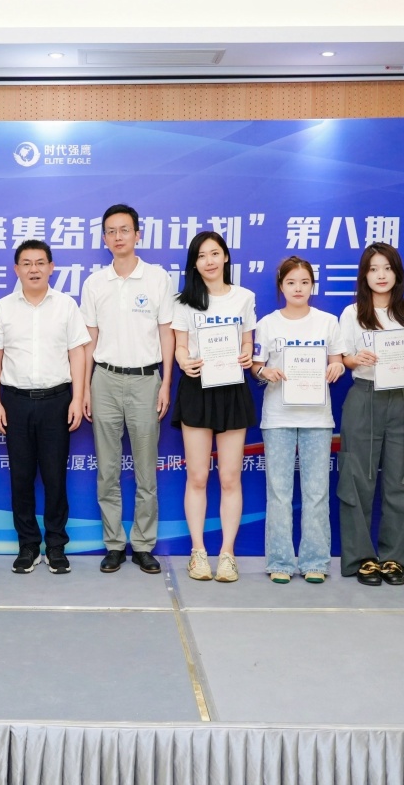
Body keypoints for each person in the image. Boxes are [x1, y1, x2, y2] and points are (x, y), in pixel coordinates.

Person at [80, 203, 174, 574]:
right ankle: (114, 544)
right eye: (111, 231)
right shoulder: (95, 283)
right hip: (104, 379)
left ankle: (144, 545)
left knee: (145, 471)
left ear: (137, 234)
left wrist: (166, 383)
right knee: (107, 470)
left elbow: (167, 333)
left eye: (124, 230)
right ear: (104, 238)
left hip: (146, 380)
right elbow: (89, 339)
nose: (118, 237)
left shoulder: (157, 278)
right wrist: (85, 388)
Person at [0, 239, 90, 574]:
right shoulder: (3, 308)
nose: (34, 269)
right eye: (27, 263)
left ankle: (56, 546)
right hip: (15, 401)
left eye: (40, 262)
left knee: (55, 477)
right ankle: (28, 546)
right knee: (21, 477)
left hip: (56, 401)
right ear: (16, 269)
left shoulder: (66, 306)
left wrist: (77, 398)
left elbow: (78, 353)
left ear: (51, 267)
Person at [336, 244, 404, 586]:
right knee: (357, 479)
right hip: (364, 396)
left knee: (403, 480)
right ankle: (361, 558)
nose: (381, 275)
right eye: (373, 269)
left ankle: (394, 558)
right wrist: (355, 360)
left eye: (387, 268)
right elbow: (343, 358)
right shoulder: (352, 313)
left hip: (402, 400)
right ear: (364, 275)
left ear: (397, 273)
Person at [253, 256, 345, 584]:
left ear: (312, 286)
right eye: (291, 282)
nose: (298, 288)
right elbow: (256, 365)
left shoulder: (328, 322)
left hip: (317, 418)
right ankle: (279, 561)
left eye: (304, 282)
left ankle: (315, 561)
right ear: (281, 286)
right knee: (279, 492)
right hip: (278, 416)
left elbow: (338, 361)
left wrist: (337, 367)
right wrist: (264, 372)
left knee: (316, 492)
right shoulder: (268, 324)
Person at [171, 231, 256, 583]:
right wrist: (183, 361)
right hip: (196, 389)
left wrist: (247, 355)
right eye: (202, 255)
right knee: (197, 476)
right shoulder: (183, 302)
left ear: (225, 257)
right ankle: (198, 552)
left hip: (232, 389)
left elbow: (248, 343)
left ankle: (227, 554)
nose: (209, 261)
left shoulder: (244, 297)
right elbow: (179, 346)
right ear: (194, 263)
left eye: (215, 253)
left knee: (230, 477)